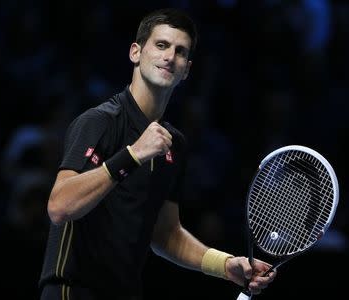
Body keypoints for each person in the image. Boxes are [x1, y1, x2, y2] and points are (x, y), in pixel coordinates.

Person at [39, 8, 276, 300]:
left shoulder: (173, 144)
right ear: (135, 53)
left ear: (186, 70)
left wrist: (225, 265)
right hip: (71, 292)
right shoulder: (100, 121)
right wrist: (133, 154)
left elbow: (165, 234)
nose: (169, 57)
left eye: (180, 52)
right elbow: (60, 206)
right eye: (161, 45)